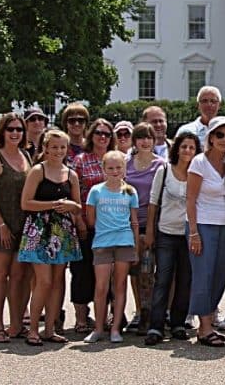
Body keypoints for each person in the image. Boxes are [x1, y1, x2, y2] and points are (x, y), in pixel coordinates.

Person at [17, 129, 83, 346]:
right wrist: (54, 205)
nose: (58, 151)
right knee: (43, 282)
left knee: (57, 282)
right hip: (39, 230)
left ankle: (50, 329)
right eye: (54, 147)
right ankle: (33, 329)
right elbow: (26, 203)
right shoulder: (38, 171)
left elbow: (77, 205)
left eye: (62, 147)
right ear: (45, 148)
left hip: (62, 232)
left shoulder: (71, 174)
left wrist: (73, 207)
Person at [185, 117, 225, 346]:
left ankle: (209, 322)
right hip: (203, 224)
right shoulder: (199, 162)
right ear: (211, 137)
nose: (224, 140)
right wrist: (194, 232)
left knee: (219, 276)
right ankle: (204, 327)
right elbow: (190, 198)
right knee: (203, 275)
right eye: (220, 135)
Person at [144, 131, 201, 345]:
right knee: (163, 280)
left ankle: (177, 323)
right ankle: (156, 326)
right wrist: (150, 230)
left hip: (188, 234)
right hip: (166, 233)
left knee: (185, 281)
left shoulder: (197, 172)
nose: (187, 151)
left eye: (192, 147)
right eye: (184, 146)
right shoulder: (164, 170)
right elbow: (153, 202)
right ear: (177, 148)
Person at [0, 112, 32, 343]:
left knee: (20, 275)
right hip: (1, 224)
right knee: (2, 274)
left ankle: (16, 324)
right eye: (10, 129)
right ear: (2, 132)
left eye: (19, 129)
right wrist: (1, 224)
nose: (15, 133)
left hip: (23, 225)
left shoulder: (26, 157)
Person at [83, 150, 139, 344]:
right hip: (102, 243)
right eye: (111, 168)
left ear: (124, 169)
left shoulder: (130, 191)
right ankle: (98, 328)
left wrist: (136, 248)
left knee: (120, 286)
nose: (115, 171)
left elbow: (134, 222)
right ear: (103, 169)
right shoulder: (96, 191)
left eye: (119, 167)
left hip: (124, 242)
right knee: (101, 287)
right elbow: (91, 218)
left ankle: (115, 328)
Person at [69, 118, 115, 333]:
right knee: (82, 272)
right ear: (91, 135)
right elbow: (74, 192)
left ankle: (103, 316)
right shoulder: (80, 160)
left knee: (106, 274)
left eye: (107, 133)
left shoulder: (116, 159)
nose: (103, 137)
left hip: (111, 227)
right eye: (98, 133)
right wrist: (79, 220)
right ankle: (80, 317)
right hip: (87, 225)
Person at [124, 122, 165, 333]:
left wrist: (151, 229)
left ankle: (156, 311)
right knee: (136, 270)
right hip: (131, 223)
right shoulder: (126, 164)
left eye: (149, 137)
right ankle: (139, 311)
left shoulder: (161, 164)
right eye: (140, 137)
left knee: (154, 270)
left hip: (155, 224)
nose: (145, 141)